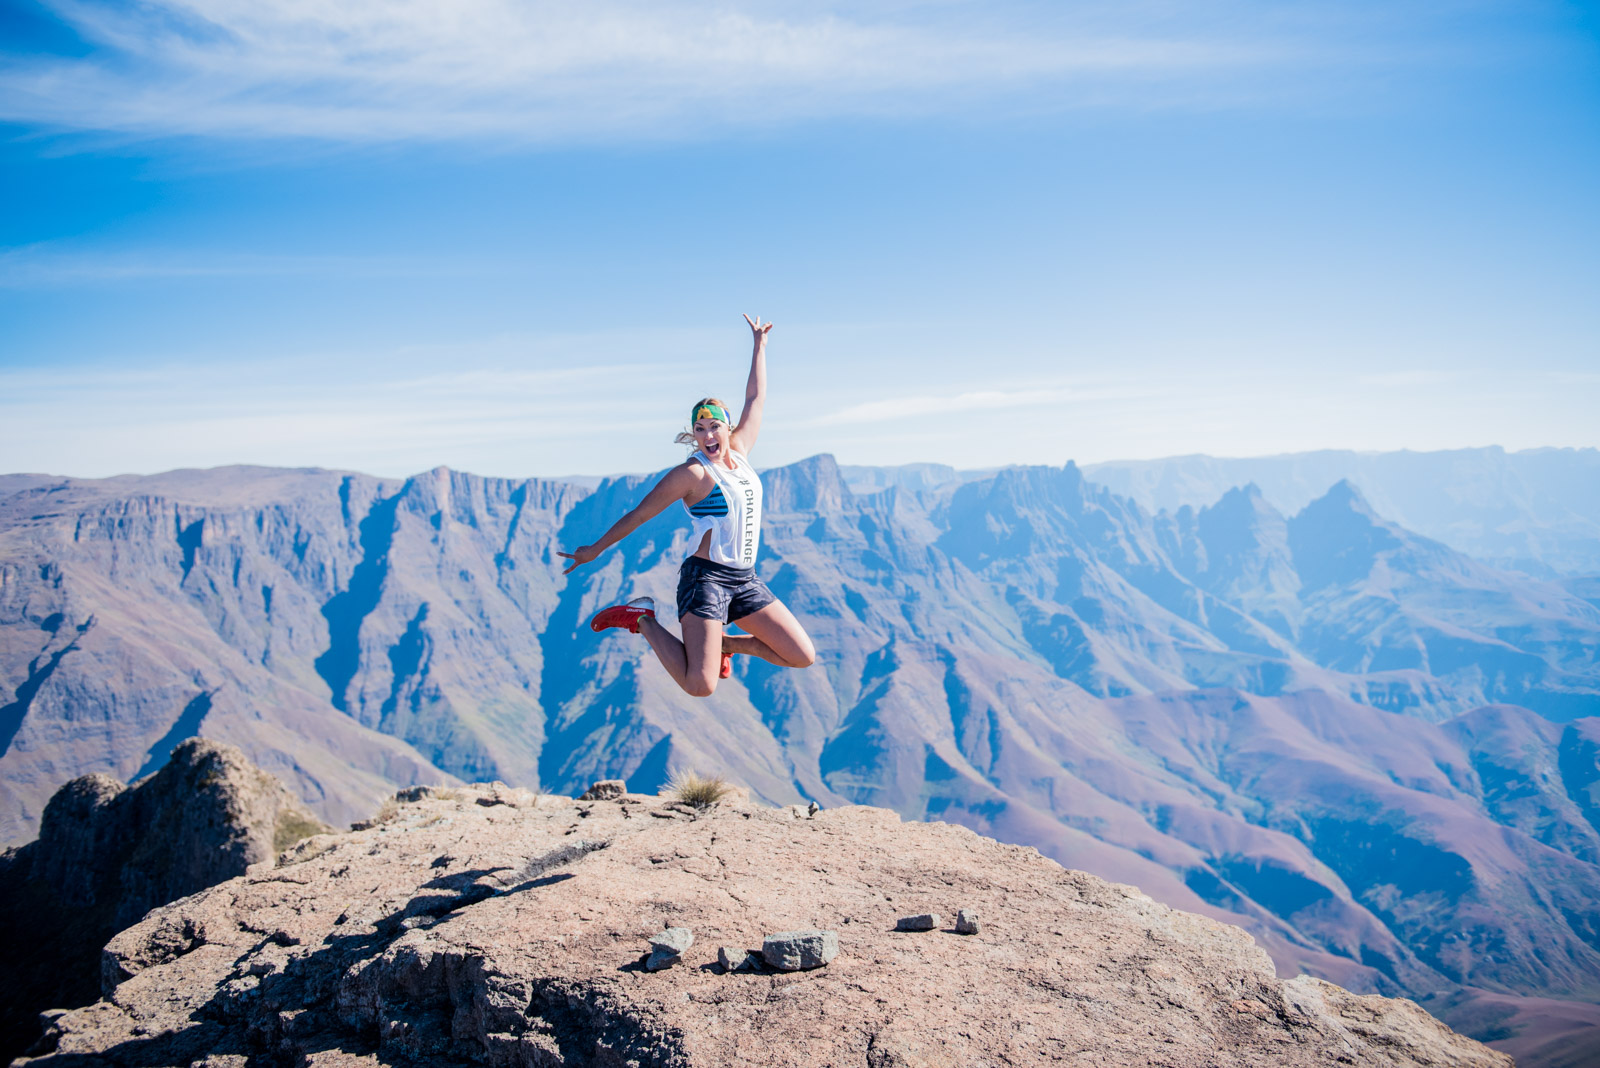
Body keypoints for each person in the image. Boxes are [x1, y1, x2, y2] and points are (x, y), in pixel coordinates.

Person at [557, 314, 816, 697]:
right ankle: (642, 619)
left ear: (728, 428)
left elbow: (755, 399)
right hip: (706, 581)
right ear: (693, 434)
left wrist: (759, 346)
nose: (708, 434)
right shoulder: (692, 474)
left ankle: (726, 643)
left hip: (744, 579)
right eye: (700, 428)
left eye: (714, 426)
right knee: (701, 685)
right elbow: (640, 514)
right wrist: (595, 549)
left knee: (800, 655)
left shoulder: (741, 453)